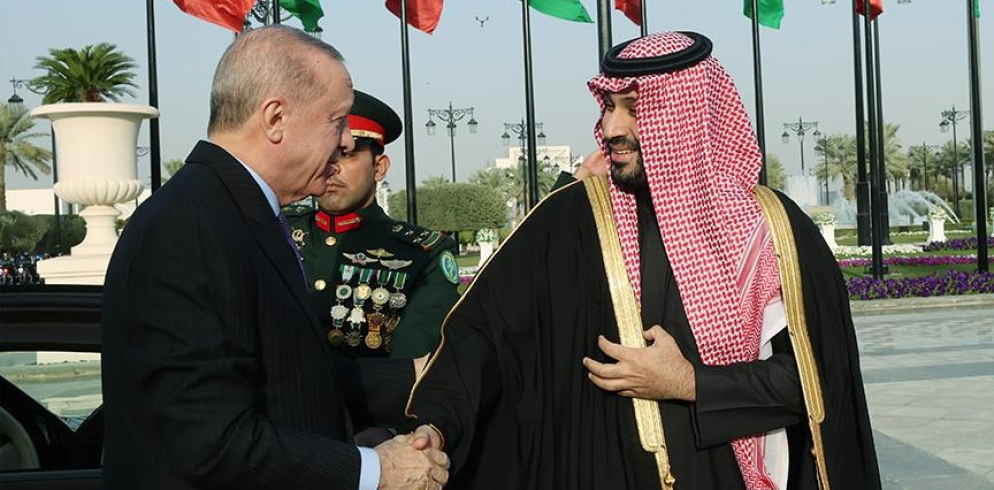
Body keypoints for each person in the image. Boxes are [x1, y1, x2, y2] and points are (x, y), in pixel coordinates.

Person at [405, 31, 880, 489]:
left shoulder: (772, 229)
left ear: (687, 115)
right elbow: (482, 336)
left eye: (634, 109)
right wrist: (437, 427)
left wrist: (691, 383)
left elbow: (817, 382)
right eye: (608, 107)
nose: (612, 128)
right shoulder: (568, 220)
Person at [102, 25, 448, 490]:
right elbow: (207, 441)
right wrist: (375, 471)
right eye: (337, 120)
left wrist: (417, 376)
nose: (347, 141)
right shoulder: (190, 226)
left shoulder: (232, 212)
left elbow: (289, 376)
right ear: (275, 118)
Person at [286, 91, 461, 361]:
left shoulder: (423, 253)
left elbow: (414, 366)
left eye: (346, 154)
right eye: (323, 153)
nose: (331, 167)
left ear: (379, 168)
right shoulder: (276, 231)